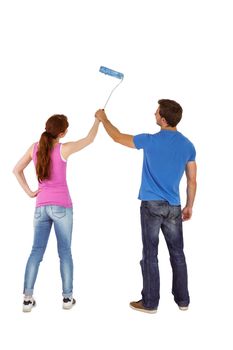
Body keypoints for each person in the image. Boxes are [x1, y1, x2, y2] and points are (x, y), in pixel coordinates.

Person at [95, 99, 197, 313]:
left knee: (150, 254)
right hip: (174, 207)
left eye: (157, 112)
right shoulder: (188, 145)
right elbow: (192, 181)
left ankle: (150, 303)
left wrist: (103, 118)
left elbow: (116, 137)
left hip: (151, 205)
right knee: (177, 253)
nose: (154, 114)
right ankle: (183, 301)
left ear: (163, 118)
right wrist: (189, 206)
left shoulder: (150, 140)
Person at [13, 114, 100, 312]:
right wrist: (97, 120)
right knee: (65, 252)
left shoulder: (34, 148)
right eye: (66, 129)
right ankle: (67, 298)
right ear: (61, 133)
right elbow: (89, 139)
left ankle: (27, 299)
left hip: (41, 207)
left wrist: (30, 192)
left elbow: (16, 169)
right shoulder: (63, 148)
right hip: (62, 207)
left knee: (36, 252)